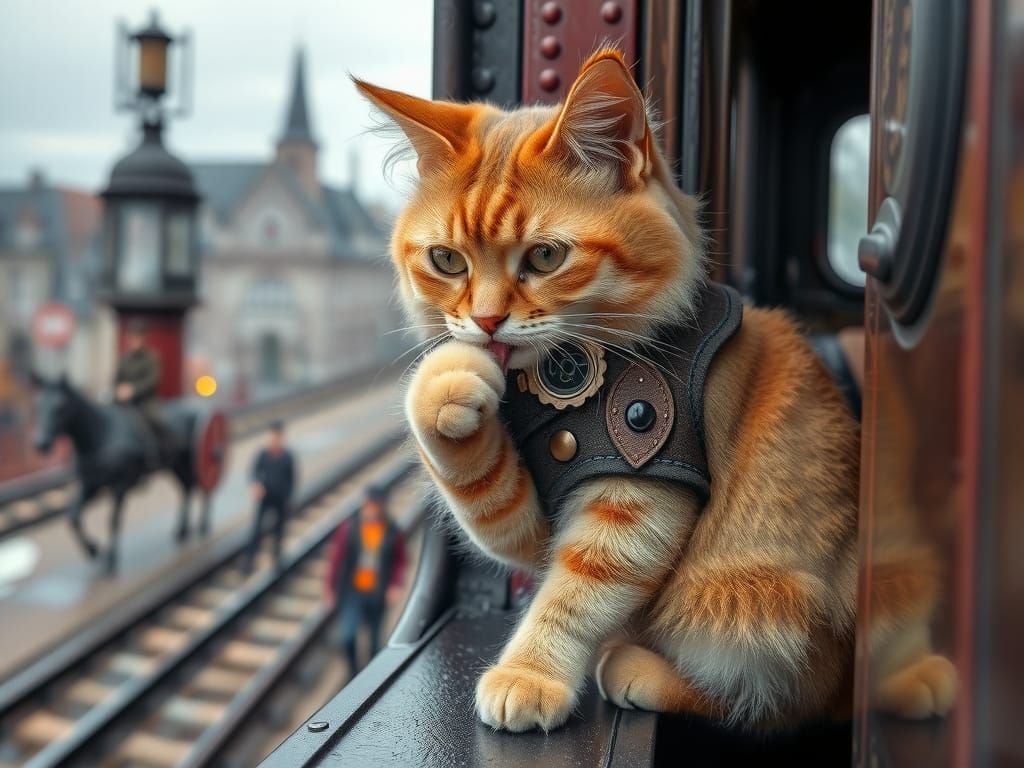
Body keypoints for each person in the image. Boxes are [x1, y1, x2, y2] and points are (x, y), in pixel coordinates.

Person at [325, 483, 407, 674]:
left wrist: (395, 585)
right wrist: (330, 588)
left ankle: (370, 677)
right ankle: (353, 674)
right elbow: (336, 559)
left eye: (375, 505)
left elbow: (400, 560)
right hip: (353, 592)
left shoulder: (392, 531)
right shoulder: (349, 529)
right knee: (347, 636)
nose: (371, 509)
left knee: (375, 643)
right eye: (368, 505)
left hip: (377, 593)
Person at [245, 420, 296, 572]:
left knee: (279, 531)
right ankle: (250, 559)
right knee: (256, 530)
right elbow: (254, 473)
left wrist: (288, 498)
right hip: (265, 498)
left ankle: (277, 558)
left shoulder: (287, 457)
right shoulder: (263, 454)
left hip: (280, 499)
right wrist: (255, 485)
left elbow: (292, 479)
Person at [114, 319, 165, 466]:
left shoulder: (151, 358)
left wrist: (133, 390)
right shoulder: (124, 360)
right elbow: (116, 380)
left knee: (154, 421)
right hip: (124, 402)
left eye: (137, 337)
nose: (133, 341)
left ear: (143, 339)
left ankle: (155, 454)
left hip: (145, 401)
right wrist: (118, 390)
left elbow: (152, 381)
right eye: (131, 337)